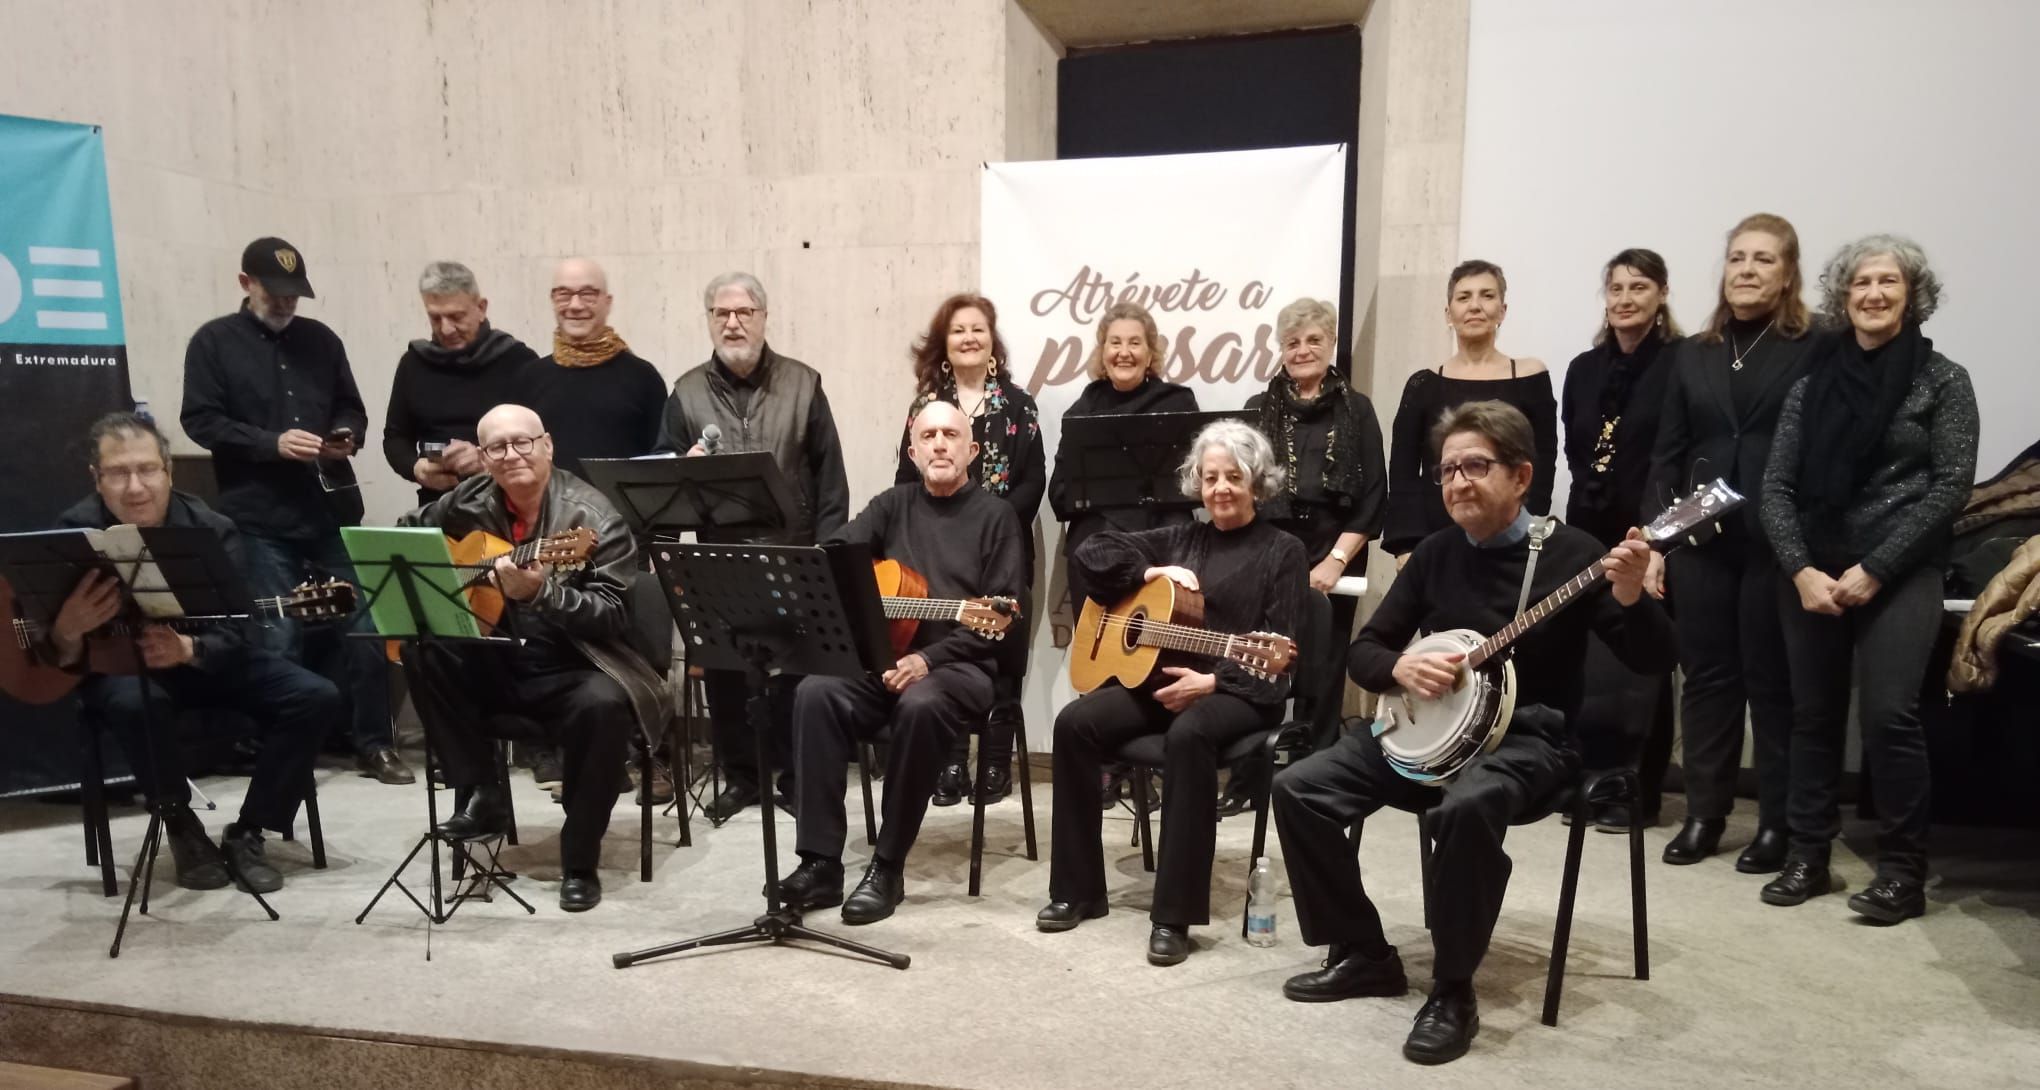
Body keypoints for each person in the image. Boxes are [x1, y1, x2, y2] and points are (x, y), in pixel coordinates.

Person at [1271, 401, 1671, 1066]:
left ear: (1520, 476)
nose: (1456, 481)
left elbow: (1655, 659)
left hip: (1535, 740)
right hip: (1433, 731)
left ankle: (1453, 989)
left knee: (1466, 805)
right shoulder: (1435, 555)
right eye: (1447, 469)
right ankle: (1365, 952)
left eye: (1474, 466)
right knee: (1298, 788)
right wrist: (1399, 666)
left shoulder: (1576, 555)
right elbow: (1366, 650)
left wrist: (1631, 598)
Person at [1758, 235, 1978, 924]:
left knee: (1890, 717)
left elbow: (1951, 488)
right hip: (1814, 570)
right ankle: (1807, 856)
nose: (1874, 294)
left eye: (1888, 283)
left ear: (1912, 297)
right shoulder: (1810, 386)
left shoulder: (1944, 381)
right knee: (1813, 717)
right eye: (1861, 284)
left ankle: (1903, 871)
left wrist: (1876, 569)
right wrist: (1799, 569)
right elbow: (1775, 488)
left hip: (1902, 569)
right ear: (1843, 297)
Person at [1036, 420, 1304, 967]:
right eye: (1210, 478)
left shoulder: (1284, 551)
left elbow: (1281, 657)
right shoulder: (1183, 536)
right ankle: (1078, 889)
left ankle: (1174, 916)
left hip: (1236, 690)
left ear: (1257, 482)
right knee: (1074, 724)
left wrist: (1212, 682)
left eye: (1234, 476)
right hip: (1159, 681)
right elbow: (1091, 552)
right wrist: (1151, 568)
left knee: (1189, 735)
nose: (1221, 488)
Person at [42, 413, 334, 893]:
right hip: (120, 669)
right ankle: (179, 822)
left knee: (314, 696)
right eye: (118, 473)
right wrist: (68, 629)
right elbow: (57, 652)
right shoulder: (73, 530)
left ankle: (250, 830)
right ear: (96, 478)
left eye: (148, 469)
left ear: (168, 472)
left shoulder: (211, 527)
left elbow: (238, 631)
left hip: (199, 658)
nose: (136, 487)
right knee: (138, 702)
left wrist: (189, 648)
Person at [398, 404, 669, 912]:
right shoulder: (470, 497)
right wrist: (456, 576)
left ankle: (581, 858)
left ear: (547, 445)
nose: (512, 455)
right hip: (494, 654)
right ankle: (484, 791)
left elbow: (611, 616)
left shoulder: (592, 518)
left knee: (603, 707)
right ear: (482, 457)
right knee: (421, 649)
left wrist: (540, 595)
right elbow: (409, 530)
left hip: (573, 663)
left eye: (523, 442)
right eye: (498, 447)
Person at [776, 402, 1028, 924]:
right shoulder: (892, 505)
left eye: (951, 435)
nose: (940, 444)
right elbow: (833, 556)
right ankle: (820, 861)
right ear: (912, 452)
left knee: (921, 703)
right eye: (928, 435)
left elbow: (1001, 625)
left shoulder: (996, 518)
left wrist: (928, 658)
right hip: (882, 664)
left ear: (972, 450)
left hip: (962, 668)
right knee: (815, 692)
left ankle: (887, 866)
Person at [179, 237, 410, 786]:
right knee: (277, 634)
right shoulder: (213, 342)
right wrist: (270, 443)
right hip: (258, 516)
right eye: (275, 292)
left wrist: (347, 434)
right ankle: (285, 747)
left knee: (368, 625)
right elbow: (200, 421)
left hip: (328, 507)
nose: (286, 303)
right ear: (245, 284)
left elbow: (351, 405)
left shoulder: (322, 341)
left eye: (294, 295)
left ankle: (374, 742)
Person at [1648, 213, 1815, 871]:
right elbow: (1668, 452)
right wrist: (1660, 538)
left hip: (1779, 540)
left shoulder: (1815, 344)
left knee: (1773, 685)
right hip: (1703, 539)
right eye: (1738, 258)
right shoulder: (1697, 350)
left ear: (1788, 272)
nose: (1747, 270)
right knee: (1709, 682)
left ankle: (1775, 824)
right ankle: (1704, 814)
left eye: (1764, 260)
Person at [661, 271, 851, 821]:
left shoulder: (803, 383)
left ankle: (795, 776)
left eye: (744, 312)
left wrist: (830, 551)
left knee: (797, 670)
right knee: (725, 671)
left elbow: (831, 479)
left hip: (794, 553)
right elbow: (661, 481)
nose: (733, 322)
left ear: (765, 318)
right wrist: (681, 472)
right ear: (710, 321)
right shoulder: (686, 391)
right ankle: (741, 776)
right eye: (722, 313)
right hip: (718, 559)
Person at [891, 293, 1044, 808]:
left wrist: (990, 527)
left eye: (978, 329)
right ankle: (951, 760)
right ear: (945, 343)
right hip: (934, 550)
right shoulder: (926, 408)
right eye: (958, 330)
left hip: (1003, 548)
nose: (969, 338)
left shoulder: (1020, 405)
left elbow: (1032, 482)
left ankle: (997, 760)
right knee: (942, 642)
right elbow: (903, 479)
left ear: (991, 339)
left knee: (1001, 648)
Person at [1559, 249, 1681, 830]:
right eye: (1616, 288)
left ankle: (1640, 790)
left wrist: (1658, 541)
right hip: (1589, 529)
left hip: (1654, 534)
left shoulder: (1682, 362)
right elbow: (1575, 450)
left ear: (1661, 294)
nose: (1625, 298)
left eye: (1639, 287)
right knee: (1587, 661)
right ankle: (1587, 781)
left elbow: (1672, 455)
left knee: (1645, 660)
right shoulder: (1584, 369)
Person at [1244, 297, 1385, 756]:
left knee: (1323, 663)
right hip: (1268, 549)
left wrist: (1336, 561)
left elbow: (1373, 496)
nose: (1303, 350)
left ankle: (1314, 762)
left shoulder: (1357, 410)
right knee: (1258, 659)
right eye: (1293, 342)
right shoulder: (1256, 408)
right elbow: (1245, 488)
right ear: (1281, 348)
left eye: (1314, 340)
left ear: (1332, 343)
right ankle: (1250, 768)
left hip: (1334, 549)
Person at [1383, 260, 1557, 559]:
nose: (1475, 306)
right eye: (1464, 297)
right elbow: (1403, 473)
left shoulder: (1531, 376)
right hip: (1434, 540)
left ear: (1502, 310)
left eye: (1487, 296)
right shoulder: (1423, 384)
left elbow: (1543, 462)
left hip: (1512, 536)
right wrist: (1406, 547)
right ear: (1449, 313)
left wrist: (1527, 530)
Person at [1046, 301, 1201, 617]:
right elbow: (1059, 497)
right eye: (1114, 342)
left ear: (1150, 353)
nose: (1124, 352)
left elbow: (1195, 486)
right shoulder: (1081, 411)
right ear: (1102, 352)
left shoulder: (1178, 403)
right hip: (1098, 544)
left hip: (1161, 532)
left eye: (1135, 342)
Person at [382, 261, 539, 505]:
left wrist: (486, 462)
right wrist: (416, 468)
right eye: (435, 318)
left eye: (456, 317)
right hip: (437, 506)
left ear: (481, 308)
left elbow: (541, 445)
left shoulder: (518, 361)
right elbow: (395, 438)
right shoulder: (413, 363)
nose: (446, 329)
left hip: (506, 506)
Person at [515, 257, 667, 478]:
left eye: (588, 294)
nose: (575, 306)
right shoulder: (529, 378)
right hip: (547, 511)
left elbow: (660, 462)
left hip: (622, 511)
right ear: (552, 300)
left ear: (608, 302)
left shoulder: (643, 377)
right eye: (564, 294)